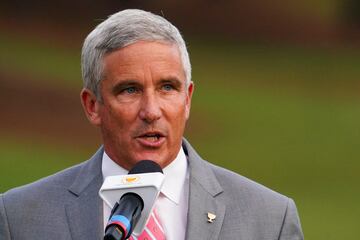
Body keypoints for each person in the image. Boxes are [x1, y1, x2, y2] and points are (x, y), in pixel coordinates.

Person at [0, 9, 304, 240]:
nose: (151, 111)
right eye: (129, 90)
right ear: (93, 106)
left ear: (188, 99)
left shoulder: (269, 219)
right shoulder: (19, 217)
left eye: (167, 88)